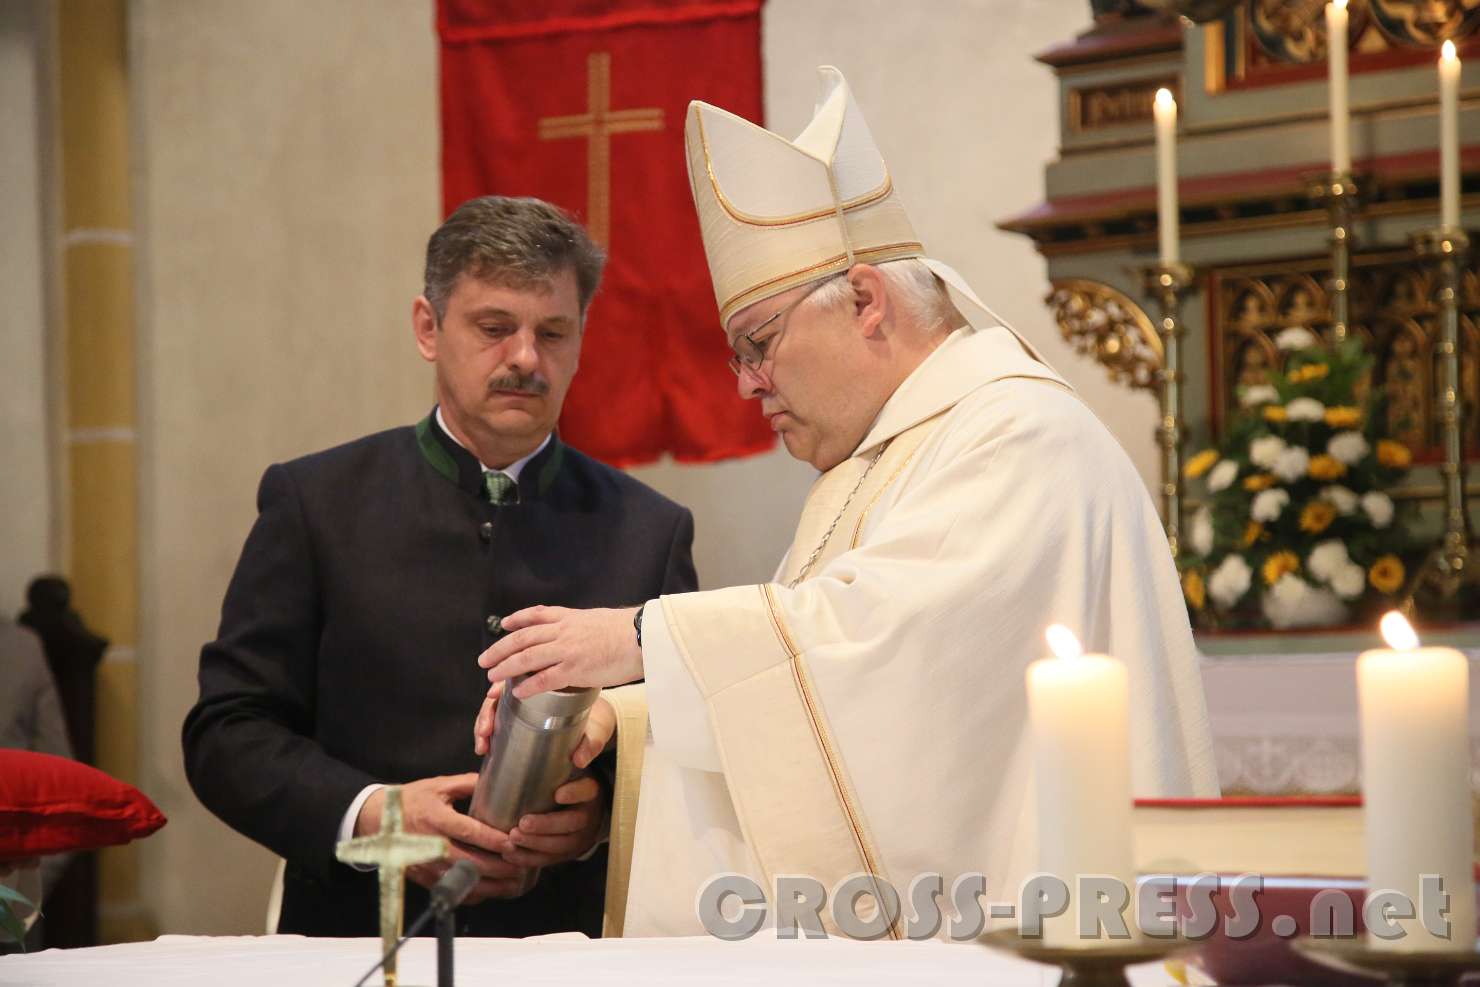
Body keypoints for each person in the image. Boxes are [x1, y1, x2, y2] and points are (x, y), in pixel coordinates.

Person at [475, 68, 1218, 938]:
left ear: (865, 301)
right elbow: (812, 687)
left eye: (759, 344)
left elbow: (891, 662)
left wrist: (634, 638)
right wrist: (622, 721)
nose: (749, 383)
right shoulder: (888, 457)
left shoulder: (1020, 435)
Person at [183, 196, 697, 938]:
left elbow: (685, 739)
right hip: (360, 936)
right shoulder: (315, 502)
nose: (526, 358)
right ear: (429, 328)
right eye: (494, 329)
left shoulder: (650, 529)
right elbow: (227, 733)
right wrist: (374, 811)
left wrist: (597, 823)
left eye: (553, 332)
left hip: (568, 946)